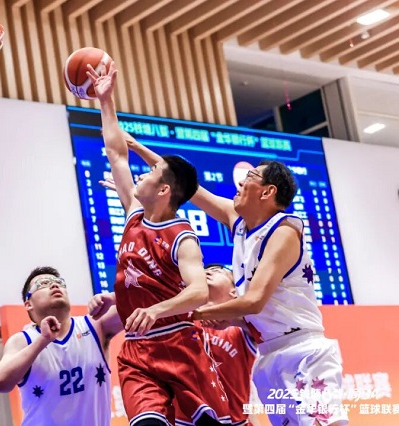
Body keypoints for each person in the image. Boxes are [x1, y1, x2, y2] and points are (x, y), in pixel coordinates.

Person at [123, 136, 348, 426]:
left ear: (267, 192)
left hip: (303, 351)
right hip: (268, 356)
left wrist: (192, 313)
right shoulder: (239, 222)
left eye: (250, 177)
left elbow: (254, 302)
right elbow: (188, 186)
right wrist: (138, 148)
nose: (240, 183)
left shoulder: (283, 231)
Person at [87, 62, 226, 426]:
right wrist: (106, 100)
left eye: (150, 171)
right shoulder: (134, 213)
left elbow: (198, 291)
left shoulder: (183, 237)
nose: (142, 173)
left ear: (164, 190)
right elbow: (117, 153)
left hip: (181, 346)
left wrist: (155, 310)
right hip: (138, 351)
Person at [0, 266, 122, 426]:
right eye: (43, 284)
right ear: (28, 304)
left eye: (59, 282)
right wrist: (43, 340)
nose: (54, 285)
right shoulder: (23, 341)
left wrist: (113, 298)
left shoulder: (95, 325)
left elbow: (144, 301)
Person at [174, 265, 258, 426]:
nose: (207, 271)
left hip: (234, 422)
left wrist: (224, 315)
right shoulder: (178, 321)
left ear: (235, 292)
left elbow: (260, 322)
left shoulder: (240, 328)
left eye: (218, 270)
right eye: (203, 271)